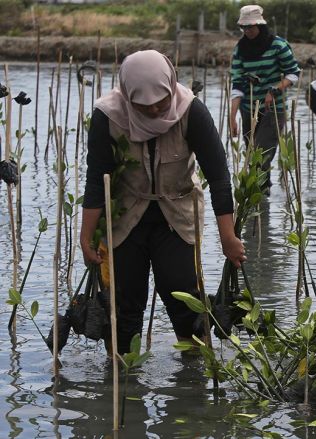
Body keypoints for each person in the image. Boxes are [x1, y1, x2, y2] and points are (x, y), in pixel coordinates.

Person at [80, 50, 245, 354]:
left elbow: (219, 178)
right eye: (144, 106)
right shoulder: (108, 115)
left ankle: (193, 376)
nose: (155, 110)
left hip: (177, 214)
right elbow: (96, 179)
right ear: (128, 97)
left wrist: (228, 238)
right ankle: (121, 372)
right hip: (126, 215)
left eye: (162, 101)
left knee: (184, 298)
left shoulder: (191, 111)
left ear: (171, 86)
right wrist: (86, 235)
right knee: (125, 304)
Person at [229, 4, 300, 189]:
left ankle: (259, 200)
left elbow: (293, 73)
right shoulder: (240, 49)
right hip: (248, 109)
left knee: (261, 157)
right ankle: (262, 199)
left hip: (272, 110)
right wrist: (232, 118)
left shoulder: (278, 45)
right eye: (244, 27)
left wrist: (274, 90)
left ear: (260, 25)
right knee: (252, 155)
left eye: (250, 27)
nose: (247, 31)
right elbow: (237, 84)